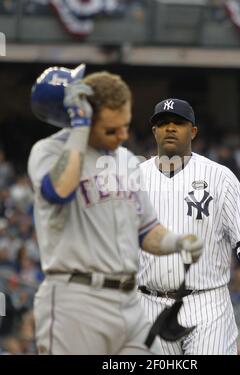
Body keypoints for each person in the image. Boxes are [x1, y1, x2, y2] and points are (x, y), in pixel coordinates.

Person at [28, 68, 203, 355]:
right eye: (112, 129)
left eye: (125, 124)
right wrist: (79, 128)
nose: (123, 134)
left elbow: (147, 230)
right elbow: (58, 191)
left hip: (129, 302)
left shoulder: (126, 160)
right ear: (83, 119)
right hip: (76, 299)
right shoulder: (49, 151)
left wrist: (177, 242)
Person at [137, 98, 240, 355]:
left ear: (193, 131)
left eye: (178, 123)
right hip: (147, 303)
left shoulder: (220, 177)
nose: (169, 128)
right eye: (162, 123)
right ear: (154, 131)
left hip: (206, 303)